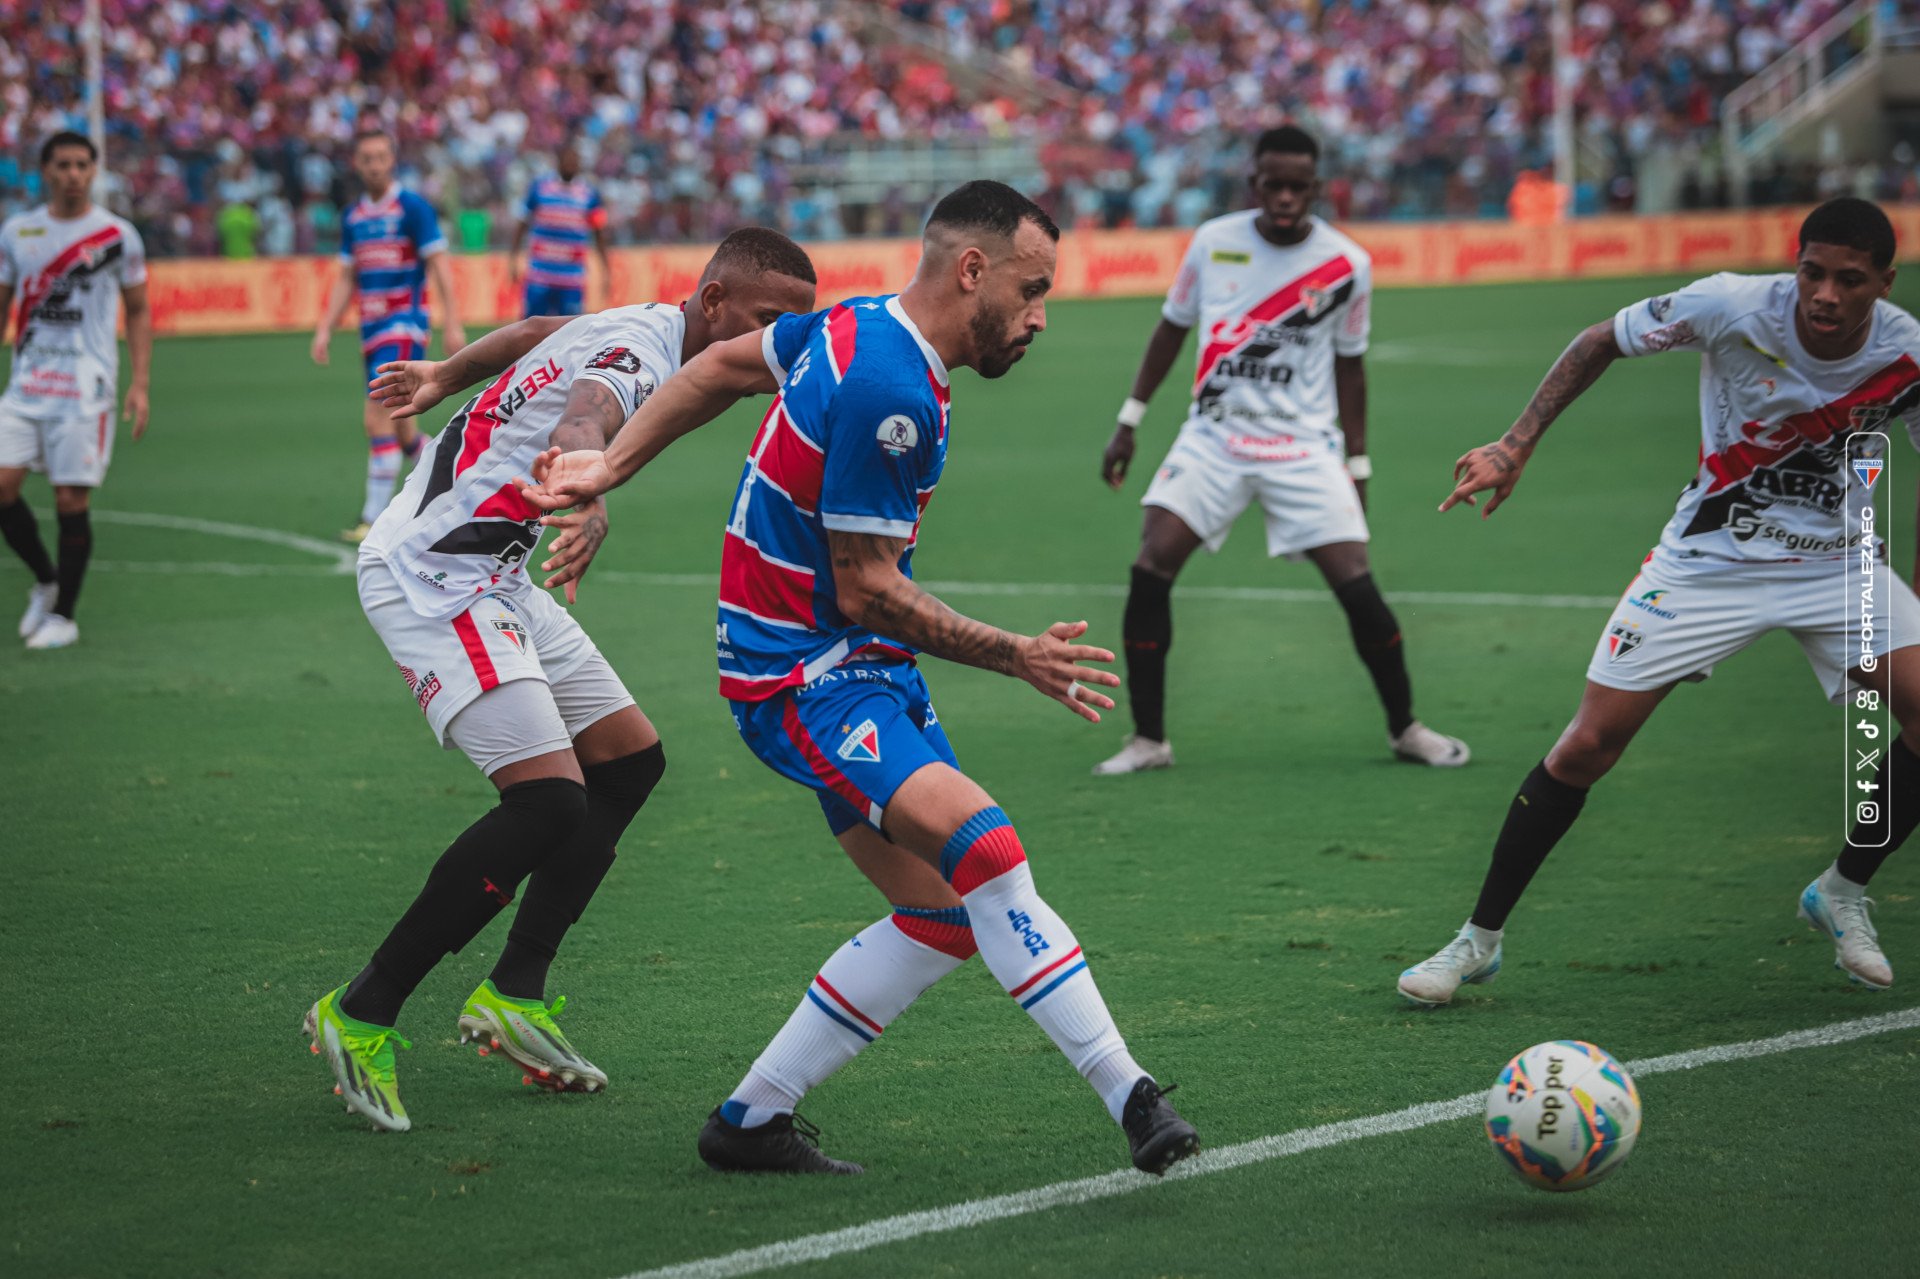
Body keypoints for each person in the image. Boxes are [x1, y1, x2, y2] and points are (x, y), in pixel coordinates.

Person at [524, 181, 1202, 1177]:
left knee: (938, 916)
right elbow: (869, 589)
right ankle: (1133, 1096)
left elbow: (715, 366)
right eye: (1031, 288)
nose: (1041, 315)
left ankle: (748, 1122)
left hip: (851, 670)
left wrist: (609, 467)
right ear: (972, 270)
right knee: (989, 848)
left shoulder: (851, 326)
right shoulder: (891, 387)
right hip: (804, 680)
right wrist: (1017, 653)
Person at [303, 229, 819, 1132]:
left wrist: (441, 377)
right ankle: (363, 1009)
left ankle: (515, 991)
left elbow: (541, 328)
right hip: (435, 576)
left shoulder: (641, 323)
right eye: (769, 320)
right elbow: (586, 416)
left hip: (492, 572)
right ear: (712, 304)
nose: (779, 343)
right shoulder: (636, 355)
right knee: (548, 804)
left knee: (628, 763)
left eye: (794, 328)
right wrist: (592, 487)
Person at [1397, 198, 1920, 1006]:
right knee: (1585, 747)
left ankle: (1843, 888)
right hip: (1707, 561)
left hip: (1837, 567)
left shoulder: (1908, 353)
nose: (1823, 294)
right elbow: (1599, 338)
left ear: (1883, 282)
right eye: (1811, 272)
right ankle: (1477, 940)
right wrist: (1515, 443)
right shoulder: (1732, 305)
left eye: (1849, 281)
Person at [1094, 126, 1468, 775]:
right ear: (1255, 183)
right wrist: (1130, 420)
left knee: (1357, 584)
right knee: (1150, 566)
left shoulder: (1347, 264)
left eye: (1300, 186)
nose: (1287, 197)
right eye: (1275, 185)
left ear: (1317, 187)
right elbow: (1170, 330)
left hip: (1301, 445)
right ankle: (1148, 739)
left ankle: (1406, 728)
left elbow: (1352, 368)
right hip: (1213, 436)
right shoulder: (1214, 242)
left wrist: (1358, 463)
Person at [0, 131, 151, 651]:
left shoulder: (116, 235)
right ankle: (46, 579)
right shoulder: (18, 232)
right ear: (45, 171)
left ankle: (64, 616)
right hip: (26, 386)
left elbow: (137, 309)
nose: (73, 174)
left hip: (84, 391)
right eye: (62, 165)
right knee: (2, 486)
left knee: (70, 500)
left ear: (94, 171)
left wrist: (141, 383)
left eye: (82, 165)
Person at [311, 129, 467, 545]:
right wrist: (326, 326)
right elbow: (347, 276)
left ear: (391, 160)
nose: (375, 165)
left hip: (404, 325)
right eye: (367, 158)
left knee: (376, 415)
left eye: (381, 157)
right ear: (358, 165)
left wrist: (451, 322)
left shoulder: (412, 208)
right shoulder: (354, 218)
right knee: (402, 431)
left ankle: (372, 517)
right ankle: (450, 482)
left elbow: (439, 264)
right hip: (371, 329)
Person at [510, 144, 611, 318]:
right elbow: (522, 224)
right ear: (558, 162)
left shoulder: (589, 193)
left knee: (570, 332)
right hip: (540, 275)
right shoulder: (540, 188)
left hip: (572, 279)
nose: (571, 165)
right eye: (567, 161)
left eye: (575, 162)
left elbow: (598, 232)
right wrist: (513, 258)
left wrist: (606, 270)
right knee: (530, 329)